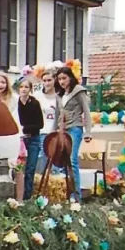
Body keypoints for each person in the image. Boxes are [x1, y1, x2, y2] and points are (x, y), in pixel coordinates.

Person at [54, 66, 91, 201]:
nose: (62, 81)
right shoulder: (59, 95)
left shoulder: (79, 91)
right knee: (62, 160)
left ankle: (76, 195)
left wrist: (88, 132)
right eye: (59, 79)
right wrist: (54, 132)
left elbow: (86, 111)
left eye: (64, 78)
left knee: (72, 159)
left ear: (70, 78)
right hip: (61, 129)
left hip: (75, 126)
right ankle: (66, 192)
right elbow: (57, 113)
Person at [16, 78, 44, 199]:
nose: (24, 89)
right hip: (19, 139)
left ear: (30, 89)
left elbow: (40, 124)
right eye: (22, 87)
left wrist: (25, 128)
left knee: (30, 168)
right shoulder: (15, 103)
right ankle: (18, 196)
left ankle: (28, 196)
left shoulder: (35, 103)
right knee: (19, 168)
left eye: (26, 87)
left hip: (33, 138)